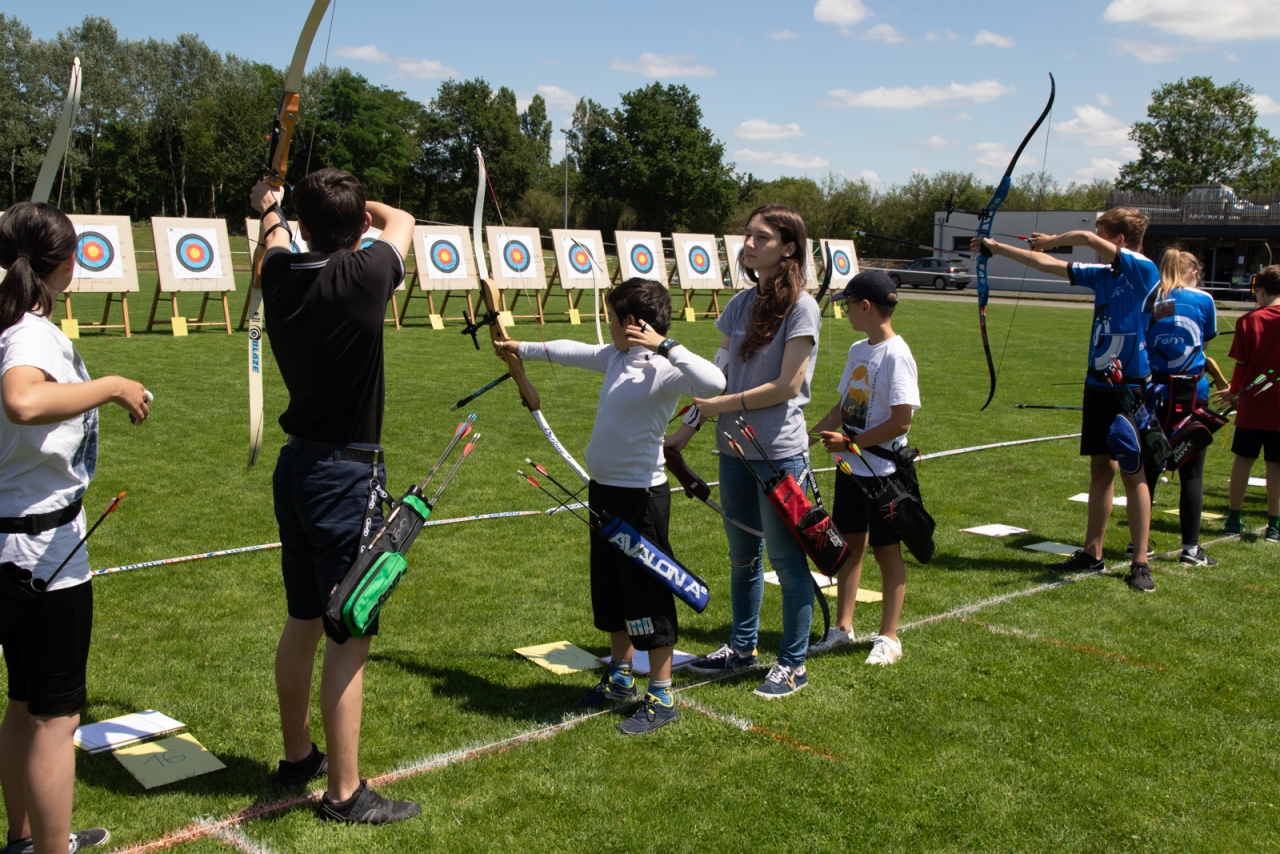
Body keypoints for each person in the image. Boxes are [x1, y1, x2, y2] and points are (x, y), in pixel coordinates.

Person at [251, 168, 420, 824]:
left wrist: (275, 204)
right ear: (360, 227)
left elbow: (274, 235)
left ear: (304, 225)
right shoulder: (366, 274)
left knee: (302, 620)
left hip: (297, 469)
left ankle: (299, 756)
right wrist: (340, 207)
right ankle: (345, 794)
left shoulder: (279, 273)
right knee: (349, 632)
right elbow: (402, 220)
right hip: (345, 475)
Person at [497, 279, 724, 734]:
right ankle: (620, 677)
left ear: (633, 323)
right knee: (612, 589)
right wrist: (517, 346)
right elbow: (569, 350)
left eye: (612, 317)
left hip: (641, 499)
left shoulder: (667, 367)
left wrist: (665, 345)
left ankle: (662, 695)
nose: (607, 325)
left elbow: (716, 382)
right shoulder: (616, 357)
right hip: (604, 493)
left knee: (647, 593)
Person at [0, 202, 149, 854]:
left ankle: (27, 839)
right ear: (63, 264)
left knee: (25, 702)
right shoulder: (28, 335)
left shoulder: (8, 320)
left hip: (17, 540)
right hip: (42, 552)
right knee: (54, 717)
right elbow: (23, 399)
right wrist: (112, 384)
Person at [674, 204, 821, 698]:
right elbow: (718, 375)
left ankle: (793, 665)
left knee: (787, 561)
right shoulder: (739, 304)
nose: (749, 244)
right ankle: (741, 649)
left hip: (777, 452)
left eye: (762, 237)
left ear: (789, 248)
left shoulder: (803, 307)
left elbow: (787, 386)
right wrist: (687, 431)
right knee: (743, 558)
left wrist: (719, 406)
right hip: (733, 449)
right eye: (748, 235)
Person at [974, 207, 1159, 592]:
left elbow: (1084, 240)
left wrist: (1054, 240)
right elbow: (1046, 264)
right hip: (1098, 381)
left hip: (1129, 385)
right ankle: (1093, 553)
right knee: (1100, 468)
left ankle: (1140, 562)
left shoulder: (1142, 269)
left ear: (1119, 240)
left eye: (1103, 235)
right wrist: (997, 247)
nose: (1095, 242)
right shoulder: (1105, 274)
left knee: (1133, 471)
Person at [808, 271, 919, 664]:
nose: (846, 310)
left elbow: (901, 421)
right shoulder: (859, 349)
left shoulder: (896, 354)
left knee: (886, 552)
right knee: (849, 546)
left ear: (866, 307)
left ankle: (889, 637)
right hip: (851, 469)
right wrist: (806, 439)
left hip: (883, 475)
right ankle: (843, 628)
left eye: (849, 304)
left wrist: (851, 443)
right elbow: (844, 408)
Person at [1144, 249, 1217, 565]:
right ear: (1193, 272)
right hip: (1191, 392)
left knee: (1148, 469)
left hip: (1154, 391)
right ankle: (1190, 550)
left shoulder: (1151, 298)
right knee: (1192, 472)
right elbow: (1204, 341)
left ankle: (1138, 544)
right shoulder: (1203, 299)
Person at [1214, 264, 1280, 543]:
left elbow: (1240, 367)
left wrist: (1234, 392)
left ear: (1261, 291)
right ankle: (1274, 525)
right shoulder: (1247, 320)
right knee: (1276, 465)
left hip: (1252, 405)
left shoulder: (1247, 321)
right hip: (1275, 408)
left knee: (1243, 460)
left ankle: (1233, 519)